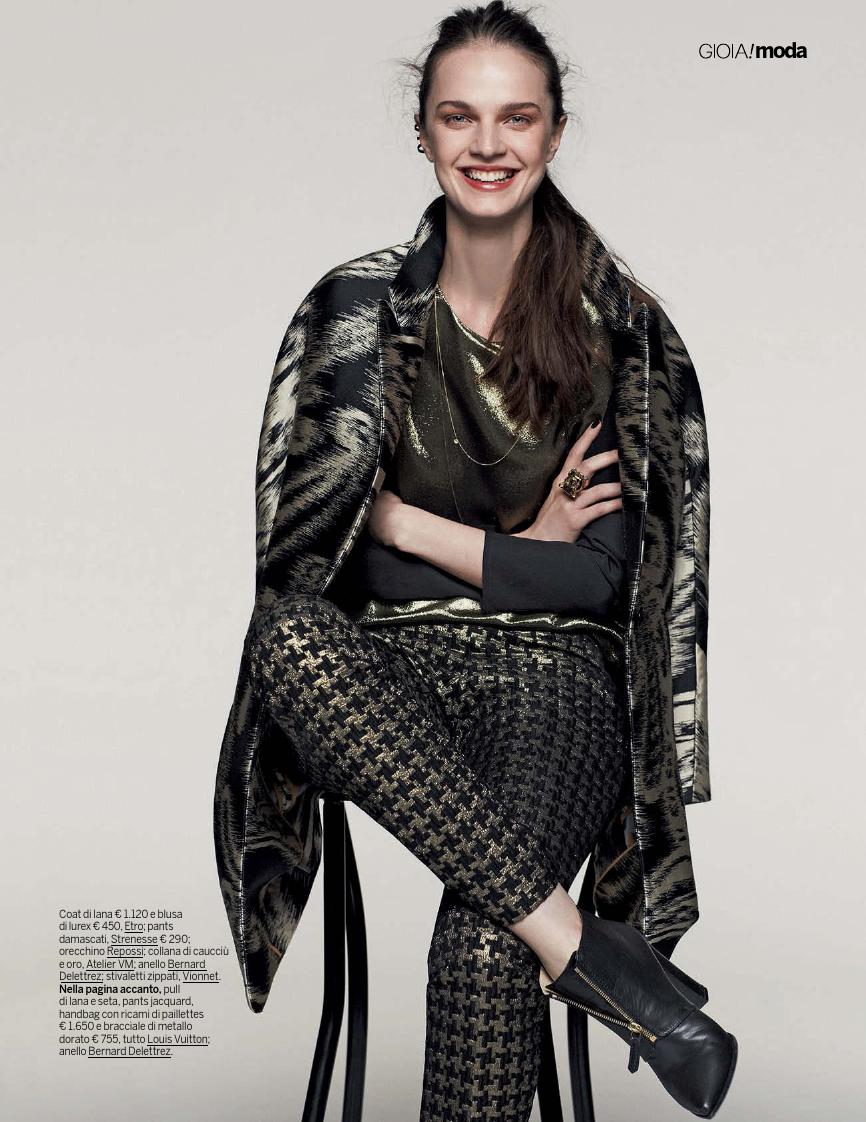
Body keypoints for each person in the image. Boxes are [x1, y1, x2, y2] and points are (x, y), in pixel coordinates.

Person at [214, 3, 738, 1119]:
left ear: (554, 133)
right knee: (287, 638)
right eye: (459, 116)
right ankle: (598, 960)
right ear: (422, 131)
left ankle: (558, 944)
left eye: (516, 118)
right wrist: (514, 551)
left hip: (557, 686)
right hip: (386, 685)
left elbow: (598, 587)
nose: (487, 144)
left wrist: (403, 525)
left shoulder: (615, 331)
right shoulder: (354, 314)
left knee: (486, 946)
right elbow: (320, 573)